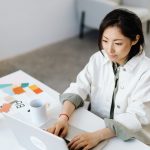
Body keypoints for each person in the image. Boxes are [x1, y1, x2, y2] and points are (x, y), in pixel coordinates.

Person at [47, 8, 150, 149]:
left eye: (118, 43)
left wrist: (97, 136)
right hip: (94, 126)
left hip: (130, 139)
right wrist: (63, 117)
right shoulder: (98, 58)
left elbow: (137, 116)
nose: (109, 50)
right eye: (105, 41)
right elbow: (79, 87)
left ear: (135, 39)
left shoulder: (146, 71)